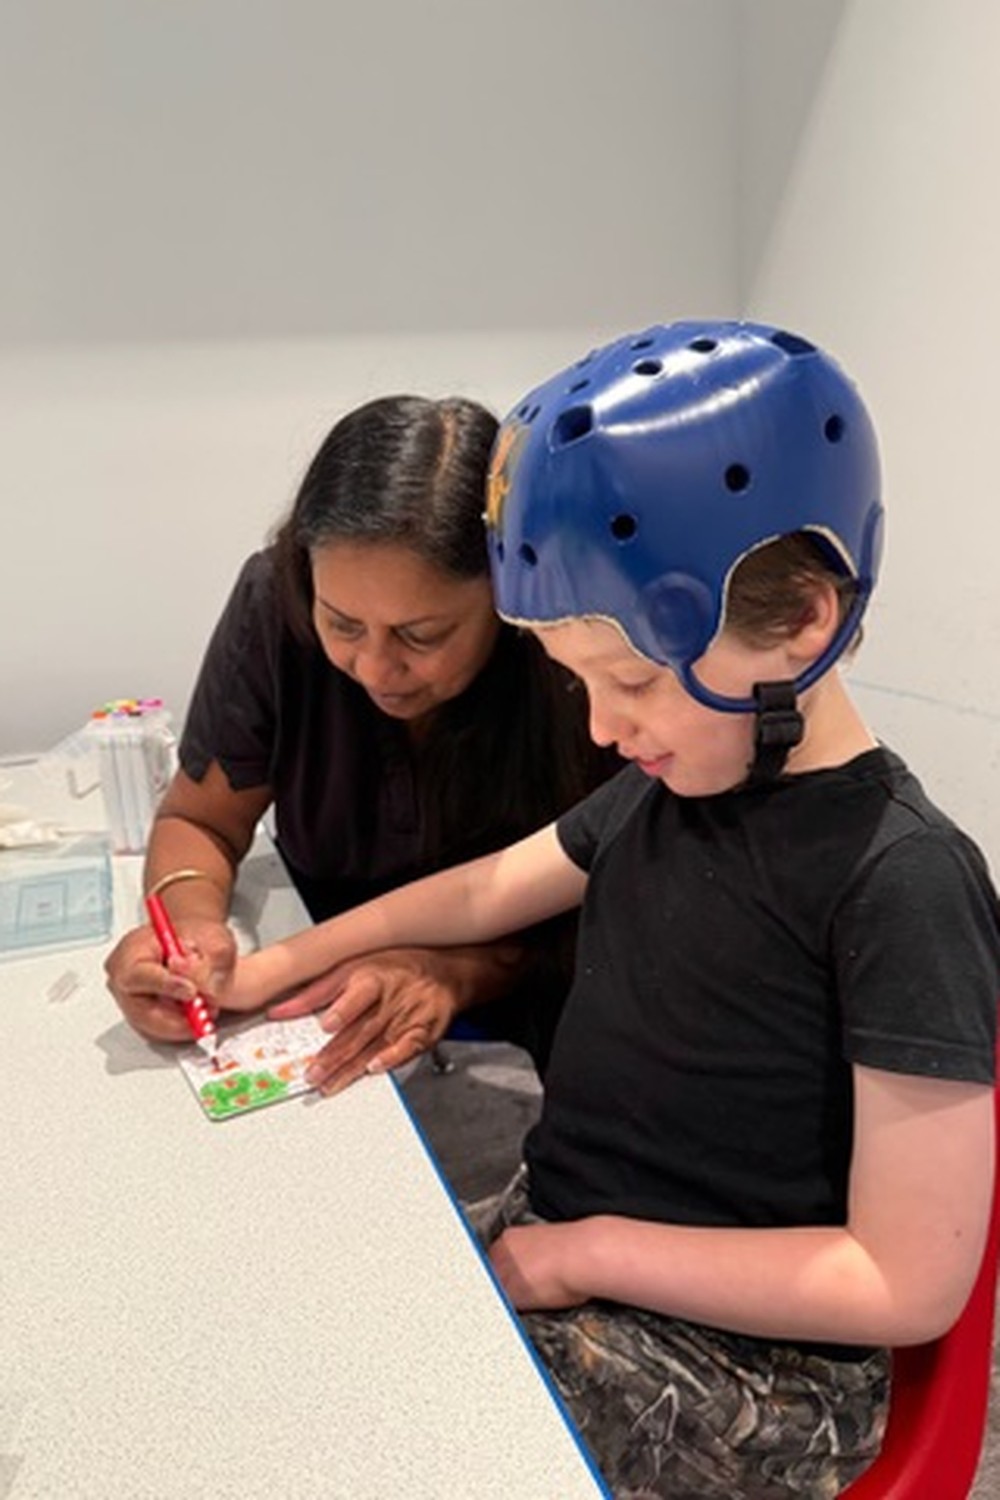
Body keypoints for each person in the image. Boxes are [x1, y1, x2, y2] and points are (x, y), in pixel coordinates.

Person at [217, 321, 1000, 1498]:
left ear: (801, 624)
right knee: (315, 1321)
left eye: (628, 681)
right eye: (578, 681)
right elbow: (486, 888)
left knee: (401, 1442)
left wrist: (586, 1254)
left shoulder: (904, 881)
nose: (598, 729)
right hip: (579, 1234)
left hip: (762, 1360)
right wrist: (274, 970)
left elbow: (906, 1282)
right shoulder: (668, 785)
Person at [104, 393, 616, 1089]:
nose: (375, 669)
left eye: (420, 636)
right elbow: (200, 818)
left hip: (534, 1014)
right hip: (318, 995)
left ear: (510, 599)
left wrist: (457, 973)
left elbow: (606, 895)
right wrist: (190, 939)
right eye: (342, 624)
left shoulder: (575, 657)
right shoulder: (272, 604)